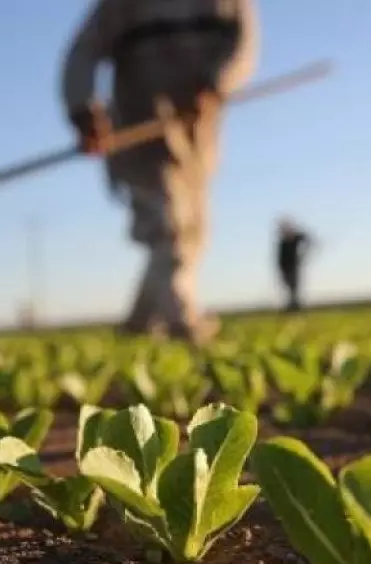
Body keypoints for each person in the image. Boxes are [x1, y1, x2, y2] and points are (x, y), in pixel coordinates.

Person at [60, 0, 260, 344]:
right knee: (169, 229)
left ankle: (138, 325)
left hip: (195, 137)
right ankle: (181, 322)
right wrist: (82, 109)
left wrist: (215, 85)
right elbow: (82, 55)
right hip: (139, 133)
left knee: (193, 232)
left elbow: (242, 47)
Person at [276, 217, 313, 312]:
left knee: (294, 288)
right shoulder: (282, 242)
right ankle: (293, 305)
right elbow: (280, 258)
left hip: (294, 267)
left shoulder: (296, 237)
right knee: (290, 288)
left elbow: (308, 239)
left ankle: (294, 307)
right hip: (284, 268)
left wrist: (304, 253)